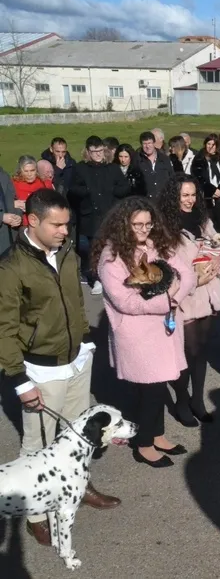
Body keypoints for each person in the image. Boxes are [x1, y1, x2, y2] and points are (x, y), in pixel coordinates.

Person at [0, 189, 120, 545]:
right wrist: (20, 380)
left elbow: (75, 300)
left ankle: (79, 488)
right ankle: (35, 512)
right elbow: (4, 329)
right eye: (57, 224)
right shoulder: (10, 267)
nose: (65, 231)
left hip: (77, 361)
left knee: (79, 435)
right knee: (37, 446)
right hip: (40, 369)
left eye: (67, 223)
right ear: (32, 220)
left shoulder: (66, 251)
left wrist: (85, 340)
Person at [93, 196, 196, 468]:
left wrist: (174, 296)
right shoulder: (112, 257)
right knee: (150, 390)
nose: (144, 230)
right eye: (137, 224)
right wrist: (169, 299)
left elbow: (188, 274)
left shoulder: (156, 246)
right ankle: (144, 444)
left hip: (163, 330)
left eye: (148, 224)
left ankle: (157, 435)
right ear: (123, 224)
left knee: (159, 386)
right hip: (137, 335)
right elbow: (126, 302)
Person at [158, 175, 220, 427]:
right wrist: (191, 278)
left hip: (207, 294)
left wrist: (218, 259)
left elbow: (218, 245)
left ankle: (197, 399)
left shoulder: (202, 219)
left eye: (192, 195)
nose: (189, 200)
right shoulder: (164, 226)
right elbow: (163, 264)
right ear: (173, 197)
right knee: (184, 353)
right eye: (184, 195)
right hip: (184, 295)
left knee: (200, 352)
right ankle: (181, 399)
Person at [70, 136, 132, 295]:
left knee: (112, 248)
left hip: (109, 214)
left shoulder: (112, 168)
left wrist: (115, 192)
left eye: (100, 151)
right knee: (94, 250)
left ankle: (113, 277)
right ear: (88, 152)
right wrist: (87, 192)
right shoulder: (80, 168)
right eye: (94, 151)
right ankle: (97, 278)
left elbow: (124, 187)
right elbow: (73, 190)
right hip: (90, 216)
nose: (97, 154)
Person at [190, 134, 220, 231]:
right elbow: (198, 177)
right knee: (207, 224)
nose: (211, 146)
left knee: (218, 222)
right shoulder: (199, 159)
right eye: (208, 143)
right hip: (206, 196)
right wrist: (212, 190)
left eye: (213, 144)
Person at [136, 131, 175, 198]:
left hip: (163, 199)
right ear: (141, 145)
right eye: (144, 144)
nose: (147, 146)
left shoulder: (164, 159)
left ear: (154, 143)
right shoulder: (137, 160)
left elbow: (172, 177)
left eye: (149, 143)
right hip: (145, 201)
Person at [0, 165, 21, 256]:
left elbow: (13, 200)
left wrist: (17, 216)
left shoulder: (4, 176)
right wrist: (1, 217)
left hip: (10, 237)